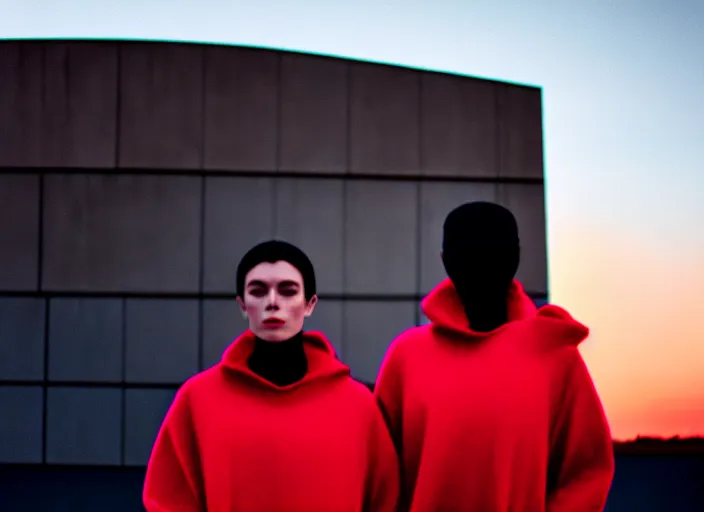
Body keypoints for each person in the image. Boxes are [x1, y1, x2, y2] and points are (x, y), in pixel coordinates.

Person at [374, 201, 615, 511]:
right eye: (468, 252)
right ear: (447, 262)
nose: (481, 262)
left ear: (514, 258)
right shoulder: (407, 356)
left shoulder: (555, 357)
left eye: (493, 251)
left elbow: (586, 473)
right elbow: (379, 476)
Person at [143, 240, 399, 512]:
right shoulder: (197, 399)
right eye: (258, 291)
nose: (273, 303)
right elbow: (167, 500)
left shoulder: (357, 406)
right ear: (242, 305)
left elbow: (386, 500)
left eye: (288, 291)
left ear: (310, 304)